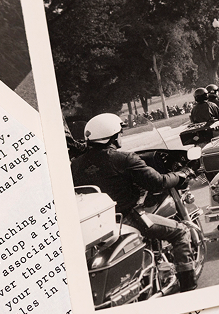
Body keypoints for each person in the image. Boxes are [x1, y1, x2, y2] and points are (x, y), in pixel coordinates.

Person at [71, 113, 198, 291]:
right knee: (180, 232)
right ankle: (189, 285)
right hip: (129, 217)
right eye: (120, 132)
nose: (122, 136)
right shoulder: (122, 159)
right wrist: (183, 173)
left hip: (98, 224)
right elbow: (158, 182)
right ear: (113, 135)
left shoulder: (75, 165)